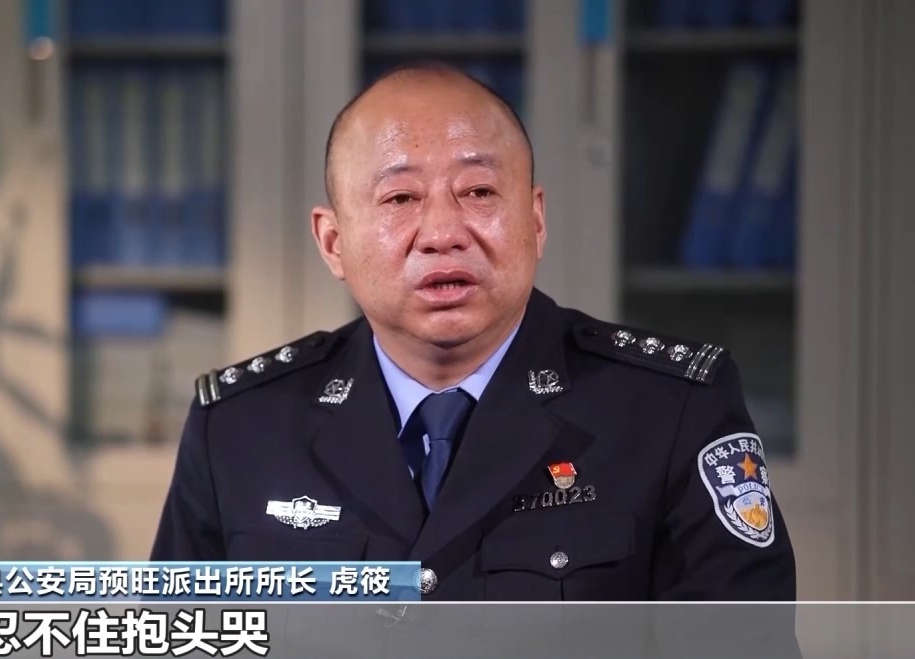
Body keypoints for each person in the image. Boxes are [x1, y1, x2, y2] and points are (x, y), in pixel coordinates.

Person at [149, 61, 797, 604]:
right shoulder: (239, 429)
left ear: (535, 220)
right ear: (333, 241)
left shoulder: (669, 411)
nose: (442, 233)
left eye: (479, 191)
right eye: (400, 199)